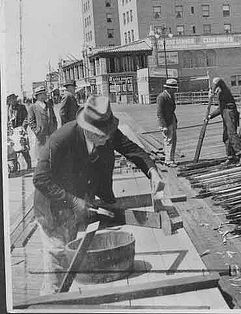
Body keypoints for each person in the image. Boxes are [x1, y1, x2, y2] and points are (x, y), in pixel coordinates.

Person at [33, 95, 164, 295]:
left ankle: (61, 298)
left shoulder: (107, 132)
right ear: (87, 128)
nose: (106, 140)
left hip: (76, 206)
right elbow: (40, 179)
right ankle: (50, 301)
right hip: (53, 208)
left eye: (107, 135)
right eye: (101, 136)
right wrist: (74, 201)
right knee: (57, 262)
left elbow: (132, 150)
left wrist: (152, 172)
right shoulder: (61, 139)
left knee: (70, 257)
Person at [207, 77, 241, 167]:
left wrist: (212, 90)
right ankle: (231, 157)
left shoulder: (225, 91)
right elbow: (220, 108)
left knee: (232, 134)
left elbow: (219, 81)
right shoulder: (220, 95)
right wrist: (210, 116)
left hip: (230, 113)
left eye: (215, 90)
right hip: (225, 114)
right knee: (226, 136)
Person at [28, 86, 58, 162]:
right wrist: (37, 131)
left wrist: (54, 128)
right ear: (38, 96)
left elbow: (54, 118)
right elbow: (31, 121)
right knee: (41, 154)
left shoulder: (49, 105)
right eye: (43, 94)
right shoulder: (33, 107)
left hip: (51, 132)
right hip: (41, 135)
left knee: (51, 153)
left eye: (45, 94)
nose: (45, 95)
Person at [156, 78, 179, 167]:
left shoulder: (171, 96)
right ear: (169, 88)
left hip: (171, 119)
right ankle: (168, 160)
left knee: (173, 140)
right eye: (174, 89)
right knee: (168, 140)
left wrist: (175, 121)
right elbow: (159, 113)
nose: (175, 90)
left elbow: (172, 110)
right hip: (165, 121)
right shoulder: (161, 97)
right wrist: (163, 125)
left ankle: (171, 159)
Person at [7, 93, 32, 170]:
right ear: (8, 101)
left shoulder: (22, 107)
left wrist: (23, 127)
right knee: (12, 149)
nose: (13, 101)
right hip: (12, 132)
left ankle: (29, 164)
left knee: (23, 148)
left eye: (14, 99)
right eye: (11, 100)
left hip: (21, 130)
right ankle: (14, 167)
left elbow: (26, 118)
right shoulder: (8, 109)